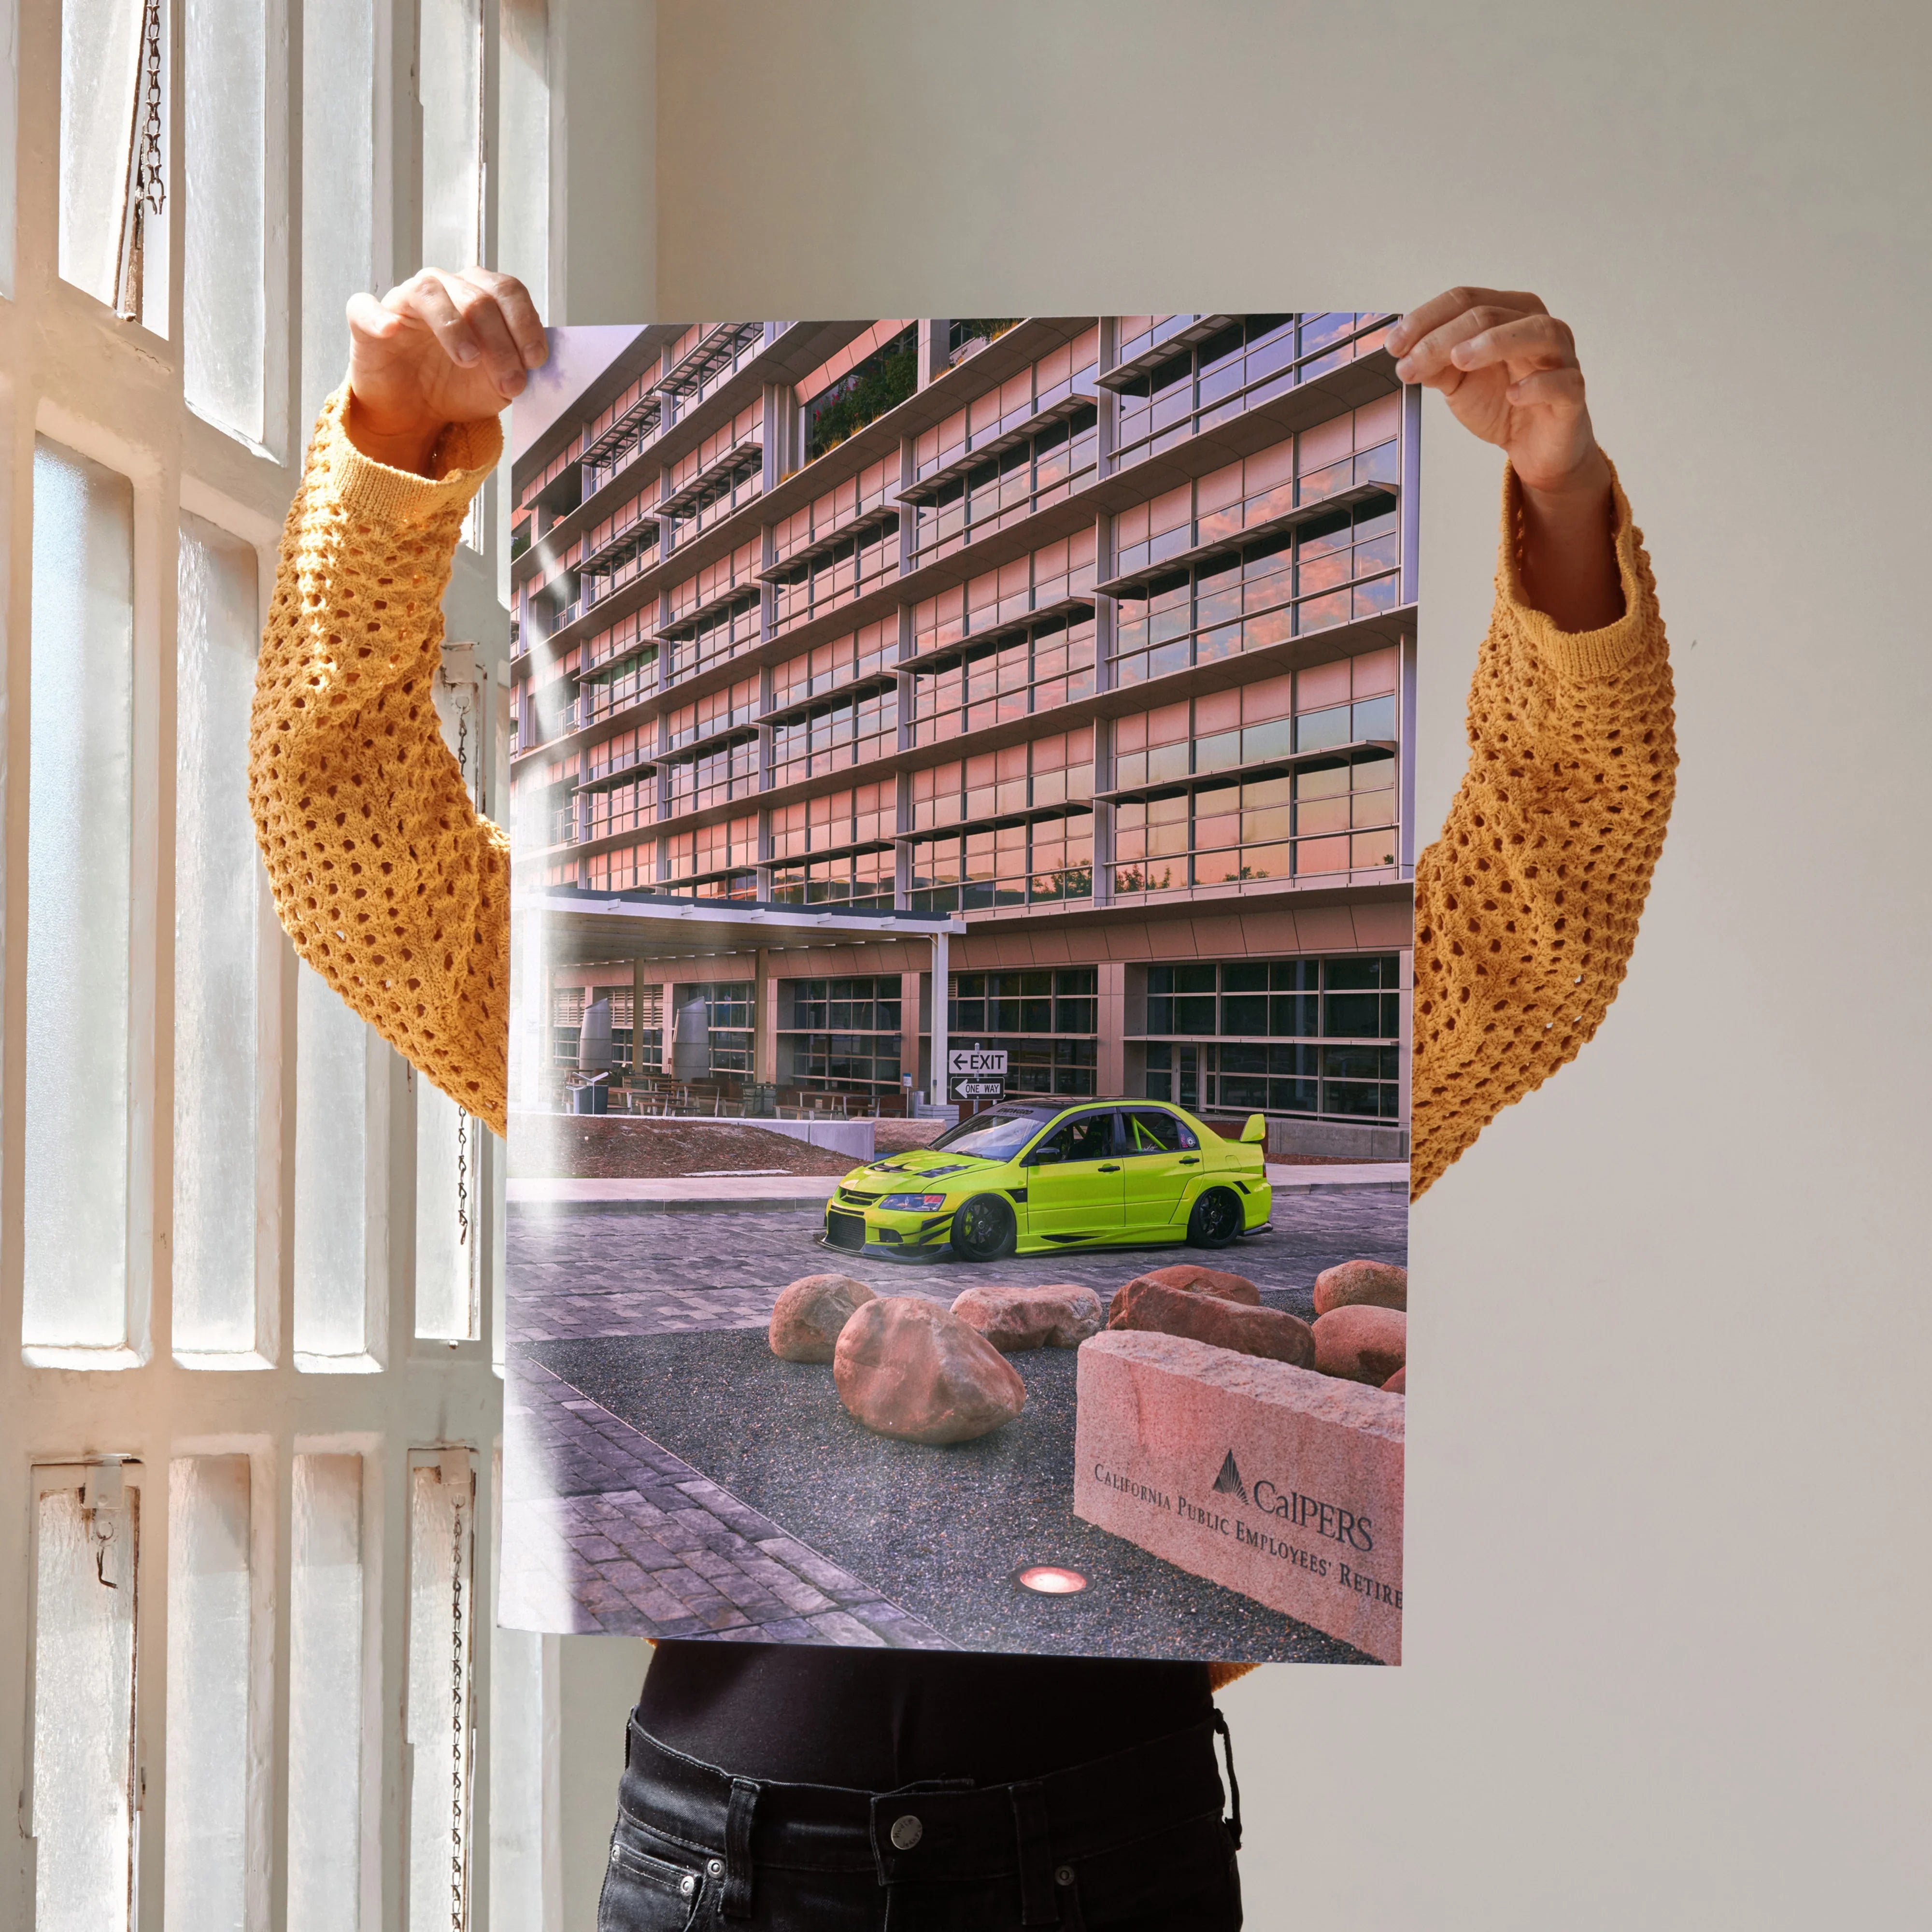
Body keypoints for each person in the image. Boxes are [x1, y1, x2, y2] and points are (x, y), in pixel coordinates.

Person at [250, 274, 1675, 1929]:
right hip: (729, 1863)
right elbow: (345, 842)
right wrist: (392, 445)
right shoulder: (577, 1005)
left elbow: (1542, 917)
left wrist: (1564, 500)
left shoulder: (1256, 1098)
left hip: (1102, 1849)